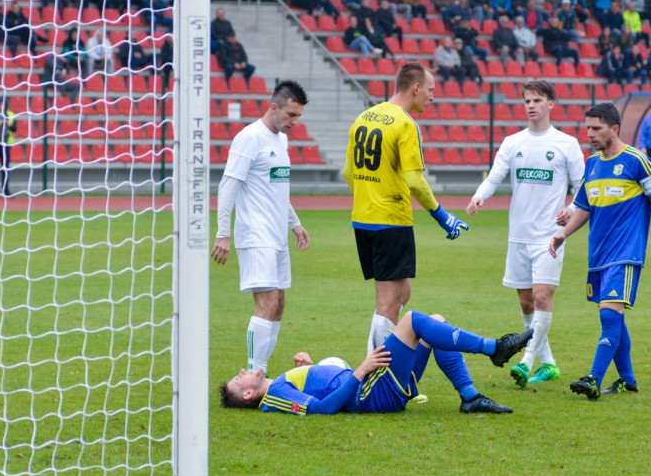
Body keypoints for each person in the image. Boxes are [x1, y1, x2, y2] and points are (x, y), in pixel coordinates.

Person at [344, 62, 469, 353]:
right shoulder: (405, 123)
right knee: (387, 303)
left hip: (364, 219)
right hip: (390, 221)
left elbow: (348, 174)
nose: (432, 96)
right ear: (415, 88)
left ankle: (384, 362)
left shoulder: (364, 116)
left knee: (402, 293)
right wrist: (442, 216)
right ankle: (373, 380)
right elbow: (414, 180)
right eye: (430, 89)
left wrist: (370, 195)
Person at [467, 80, 585, 388]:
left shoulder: (566, 143)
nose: (531, 105)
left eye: (537, 100)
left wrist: (571, 210)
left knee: (543, 297)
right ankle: (548, 364)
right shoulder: (512, 142)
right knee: (526, 304)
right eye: (527, 100)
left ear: (550, 105)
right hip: (518, 235)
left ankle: (526, 360)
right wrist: (480, 195)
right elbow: (495, 176)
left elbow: (582, 186)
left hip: (550, 235)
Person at [550, 102, 651, 400]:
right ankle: (627, 380)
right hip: (599, 255)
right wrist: (563, 234)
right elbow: (584, 207)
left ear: (614, 129)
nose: (589, 134)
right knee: (613, 317)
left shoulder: (637, 161)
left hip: (626, 253)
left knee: (609, 315)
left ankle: (594, 377)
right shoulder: (592, 164)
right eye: (588, 128)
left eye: (596, 128)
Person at [219, 310, 533, 415]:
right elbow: (321, 410)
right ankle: (493, 348)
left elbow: (320, 390)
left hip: (371, 384)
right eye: (238, 380)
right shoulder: (275, 397)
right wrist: (361, 370)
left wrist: (307, 367)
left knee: (434, 323)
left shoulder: (278, 387)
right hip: (370, 392)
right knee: (412, 321)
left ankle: (470, 398)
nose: (241, 371)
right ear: (248, 395)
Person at [212, 81, 311, 373]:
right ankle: (255, 375)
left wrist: (295, 223)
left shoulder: (281, 139)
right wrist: (222, 233)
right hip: (255, 234)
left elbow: (276, 187)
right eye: (291, 115)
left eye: (299, 117)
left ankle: (261, 370)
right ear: (273, 108)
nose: (295, 122)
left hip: (277, 235)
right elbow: (228, 186)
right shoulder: (249, 138)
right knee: (267, 302)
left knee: (279, 302)